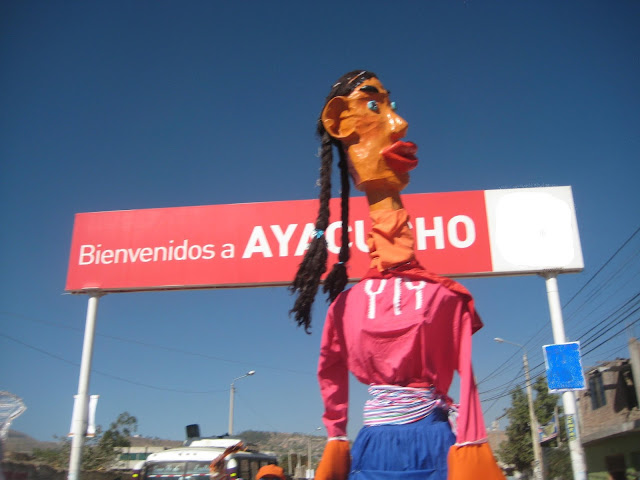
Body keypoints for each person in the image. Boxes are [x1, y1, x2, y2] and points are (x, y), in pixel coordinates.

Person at [290, 70, 505, 480]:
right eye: (375, 106)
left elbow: (331, 375)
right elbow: (330, 372)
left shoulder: (432, 297)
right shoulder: (430, 298)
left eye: (391, 106)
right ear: (340, 122)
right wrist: (335, 436)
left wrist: (338, 437)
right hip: (398, 446)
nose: (399, 122)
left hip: (417, 443)